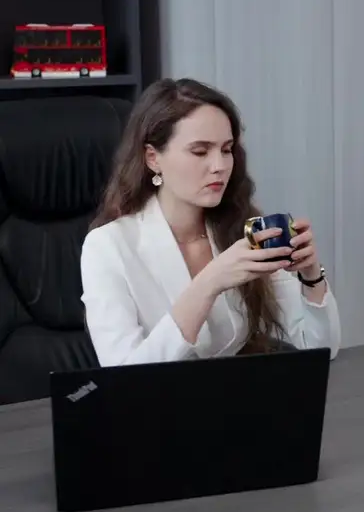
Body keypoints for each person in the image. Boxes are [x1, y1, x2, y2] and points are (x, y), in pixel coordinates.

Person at [81, 77, 341, 366]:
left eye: (226, 150)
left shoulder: (238, 228)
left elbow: (322, 348)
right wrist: (209, 282)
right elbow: (123, 376)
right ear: (153, 158)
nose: (219, 166)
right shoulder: (107, 246)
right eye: (200, 151)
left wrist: (310, 275)